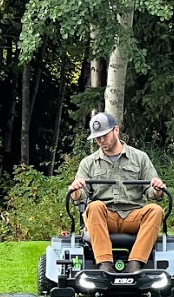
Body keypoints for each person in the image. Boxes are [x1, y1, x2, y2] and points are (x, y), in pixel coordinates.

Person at [68, 112, 165, 273]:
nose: (101, 141)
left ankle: (135, 263)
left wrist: (156, 188)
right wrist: (76, 191)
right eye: (97, 138)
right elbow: (80, 198)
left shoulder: (140, 158)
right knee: (94, 206)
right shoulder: (88, 163)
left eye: (104, 136)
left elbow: (151, 192)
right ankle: (105, 265)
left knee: (155, 210)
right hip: (105, 217)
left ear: (116, 130)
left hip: (134, 216)